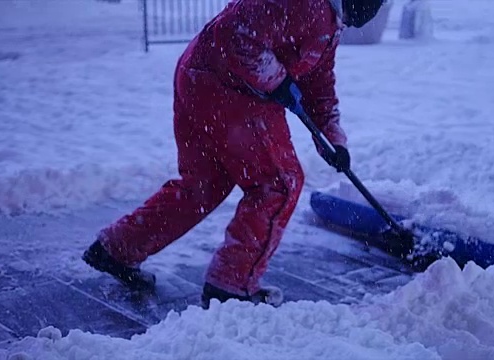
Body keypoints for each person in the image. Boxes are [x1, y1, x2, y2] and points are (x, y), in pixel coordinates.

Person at [82, 0, 386, 308]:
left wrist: (333, 138)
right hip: (231, 88)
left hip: (201, 78)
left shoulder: (330, 19)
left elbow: (319, 83)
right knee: (279, 184)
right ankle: (231, 285)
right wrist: (277, 80)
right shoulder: (307, 3)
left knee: (202, 185)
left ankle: (117, 248)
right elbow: (239, 35)